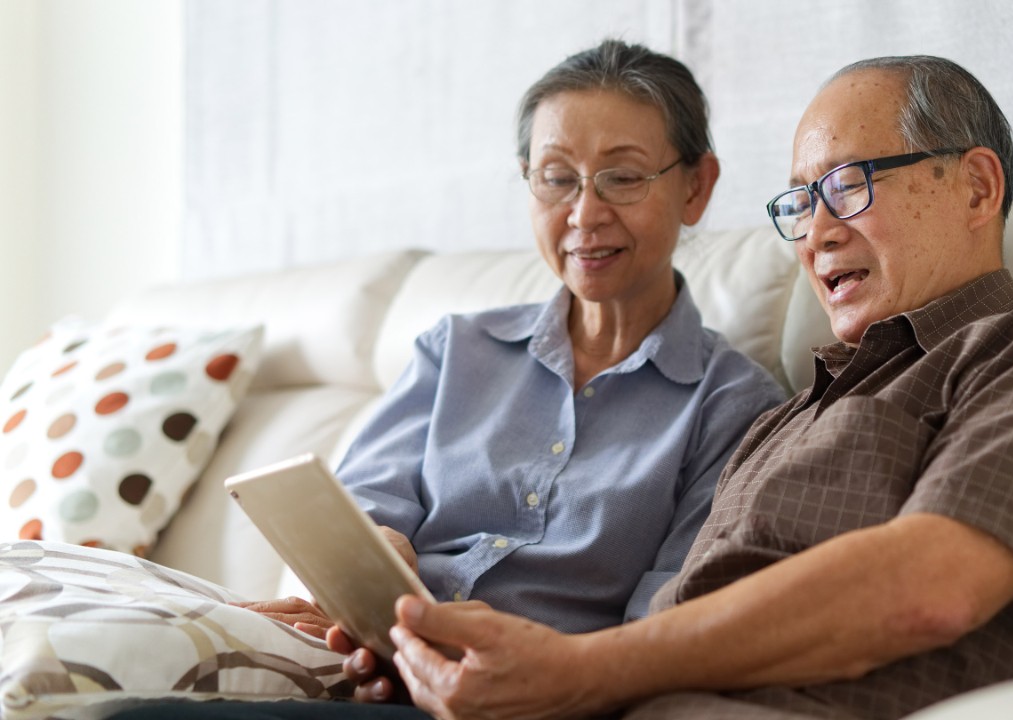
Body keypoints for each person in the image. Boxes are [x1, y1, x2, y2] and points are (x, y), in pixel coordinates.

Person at [322, 55, 1013, 720]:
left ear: (975, 185)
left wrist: (579, 675)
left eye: (848, 185)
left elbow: (931, 587)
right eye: (802, 201)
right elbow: (660, 624)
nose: (815, 232)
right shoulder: (793, 413)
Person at [235, 38, 785, 639]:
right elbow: (363, 503)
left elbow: (665, 622)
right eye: (556, 178)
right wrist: (372, 558)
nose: (583, 214)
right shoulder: (455, 350)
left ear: (696, 186)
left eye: (622, 177)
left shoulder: (734, 405)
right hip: (380, 655)